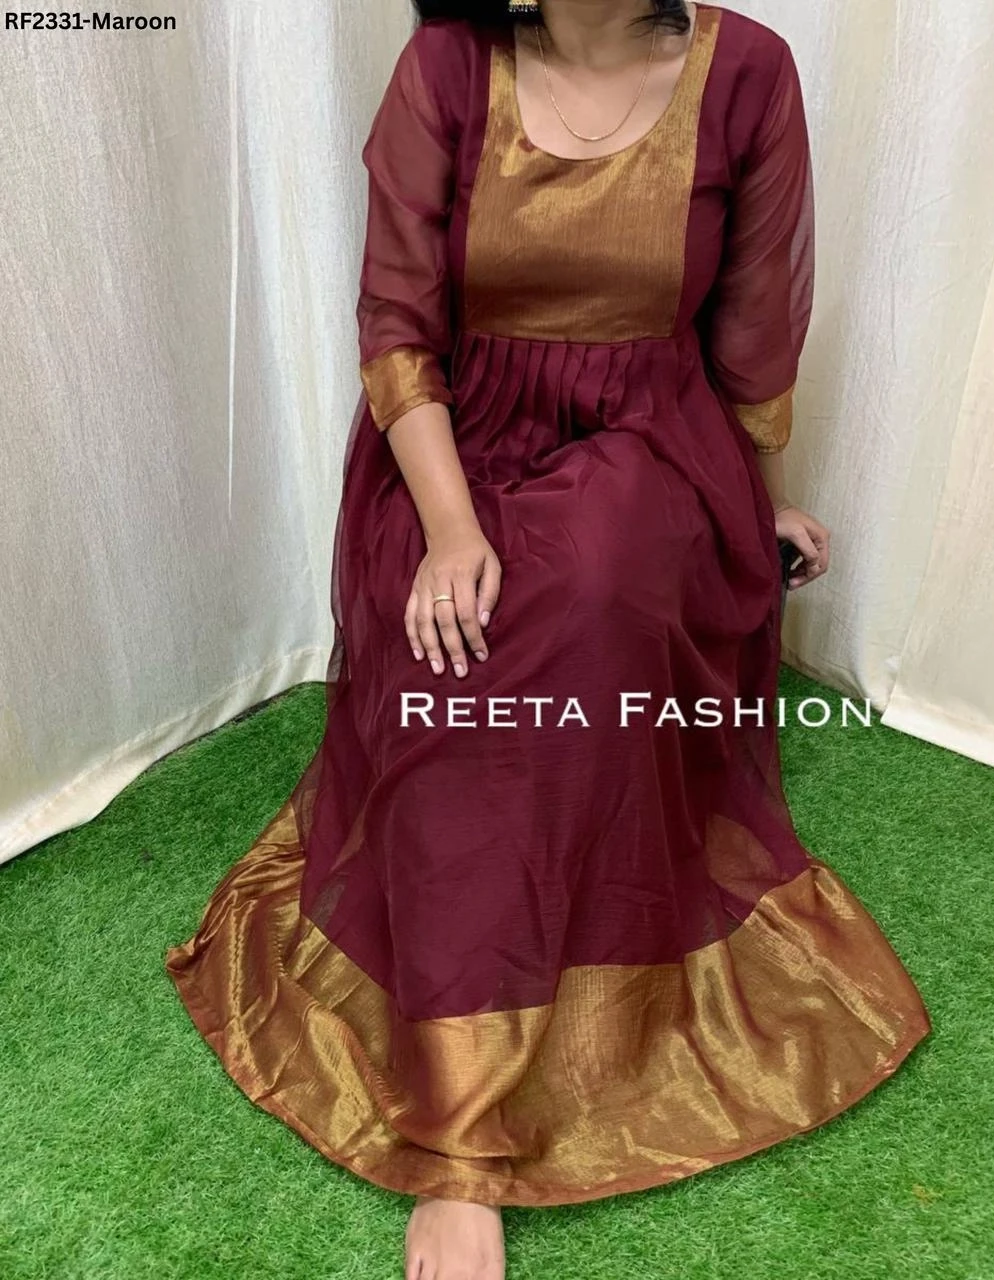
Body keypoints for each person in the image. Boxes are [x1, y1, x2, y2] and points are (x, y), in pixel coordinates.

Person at [165, 3, 932, 1278]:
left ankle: (464, 1133)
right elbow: (396, 328)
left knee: (583, 595)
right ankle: (468, 1084)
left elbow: (752, 338)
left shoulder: (747, 72)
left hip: (651, 446)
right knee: (463, 639)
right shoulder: (446, 66)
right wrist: (451, 532)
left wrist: (754, 502)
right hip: (450, 455)